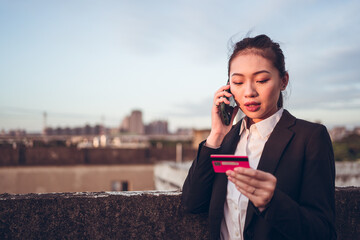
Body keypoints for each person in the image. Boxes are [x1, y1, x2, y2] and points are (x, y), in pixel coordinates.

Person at [181, 34, 336, 240]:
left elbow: (323, 232)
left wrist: (273, 202)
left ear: (283, 81)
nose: (249, 92)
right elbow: (192, 203)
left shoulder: (309, 138)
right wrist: (216, 135)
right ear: (228, 87)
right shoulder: (227, 140)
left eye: (261, 80)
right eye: (237, 82)